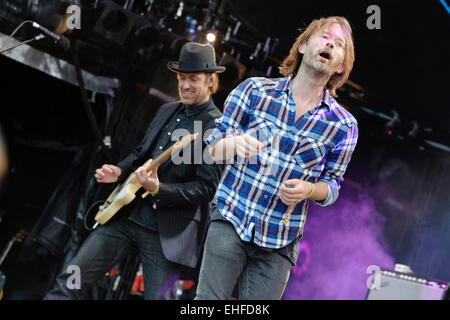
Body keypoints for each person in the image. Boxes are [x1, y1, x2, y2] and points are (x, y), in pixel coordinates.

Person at [195, 16, 359, 300]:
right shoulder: (254, 90)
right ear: (304, 46)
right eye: (324, 37)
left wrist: (309, 189)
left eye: (339, 44)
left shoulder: (344, 125)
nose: (330, 43)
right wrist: (233, 143)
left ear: (341, 66)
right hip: (232, 217)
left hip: (281, 240)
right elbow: (210, 150)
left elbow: (331, 186)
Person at [45, 42, 225, 300]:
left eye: (193, 79)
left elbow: (205, 190)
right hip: (125, 215)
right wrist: (117, 172)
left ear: (210, 80)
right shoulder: (167, 110)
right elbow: (140, 153)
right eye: (181, 78)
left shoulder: (216, 127)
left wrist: (159, 189)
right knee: (70, 281)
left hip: (166, 234)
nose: (185, 85)